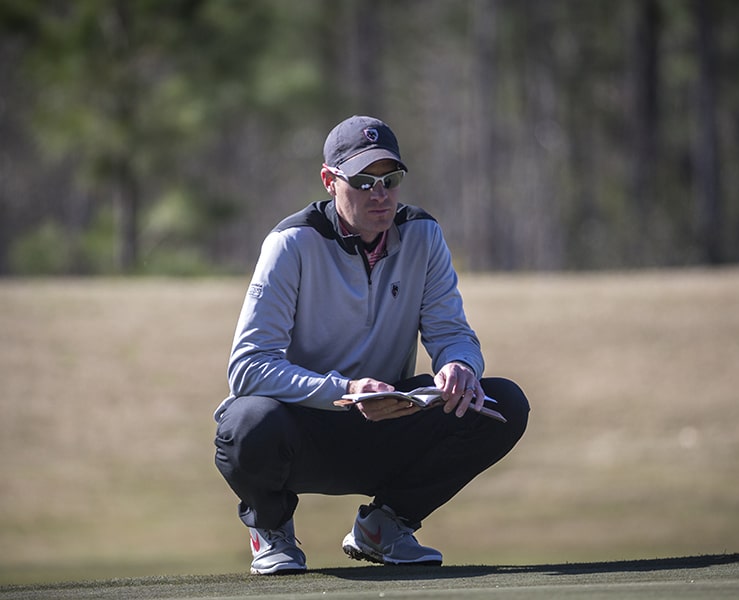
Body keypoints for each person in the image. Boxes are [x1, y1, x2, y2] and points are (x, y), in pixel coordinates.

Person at [213, 115, 529, 574]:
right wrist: (346, 390)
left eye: (390, 179)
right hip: (303, 430)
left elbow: (452, 333)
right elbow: (247, 368)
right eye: (362, 181)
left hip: (388, 420)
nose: (379, 194)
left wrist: (461, 366)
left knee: (501, 404)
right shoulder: (290, 243)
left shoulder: (423, 234)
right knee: (246, 423)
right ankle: (272, 530)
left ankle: (385, 526)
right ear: (329, 180)